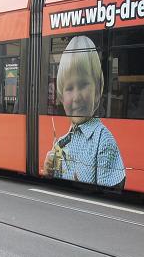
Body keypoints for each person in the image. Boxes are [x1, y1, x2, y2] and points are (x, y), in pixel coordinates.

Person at [43, 35, 125, 188]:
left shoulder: (103, 141)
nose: (76, 97)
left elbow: (108, 195)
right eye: (69, 88)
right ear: (61, 96)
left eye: (83, 85)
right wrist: (49, 175)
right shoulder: (62, 142)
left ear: (98, 89)